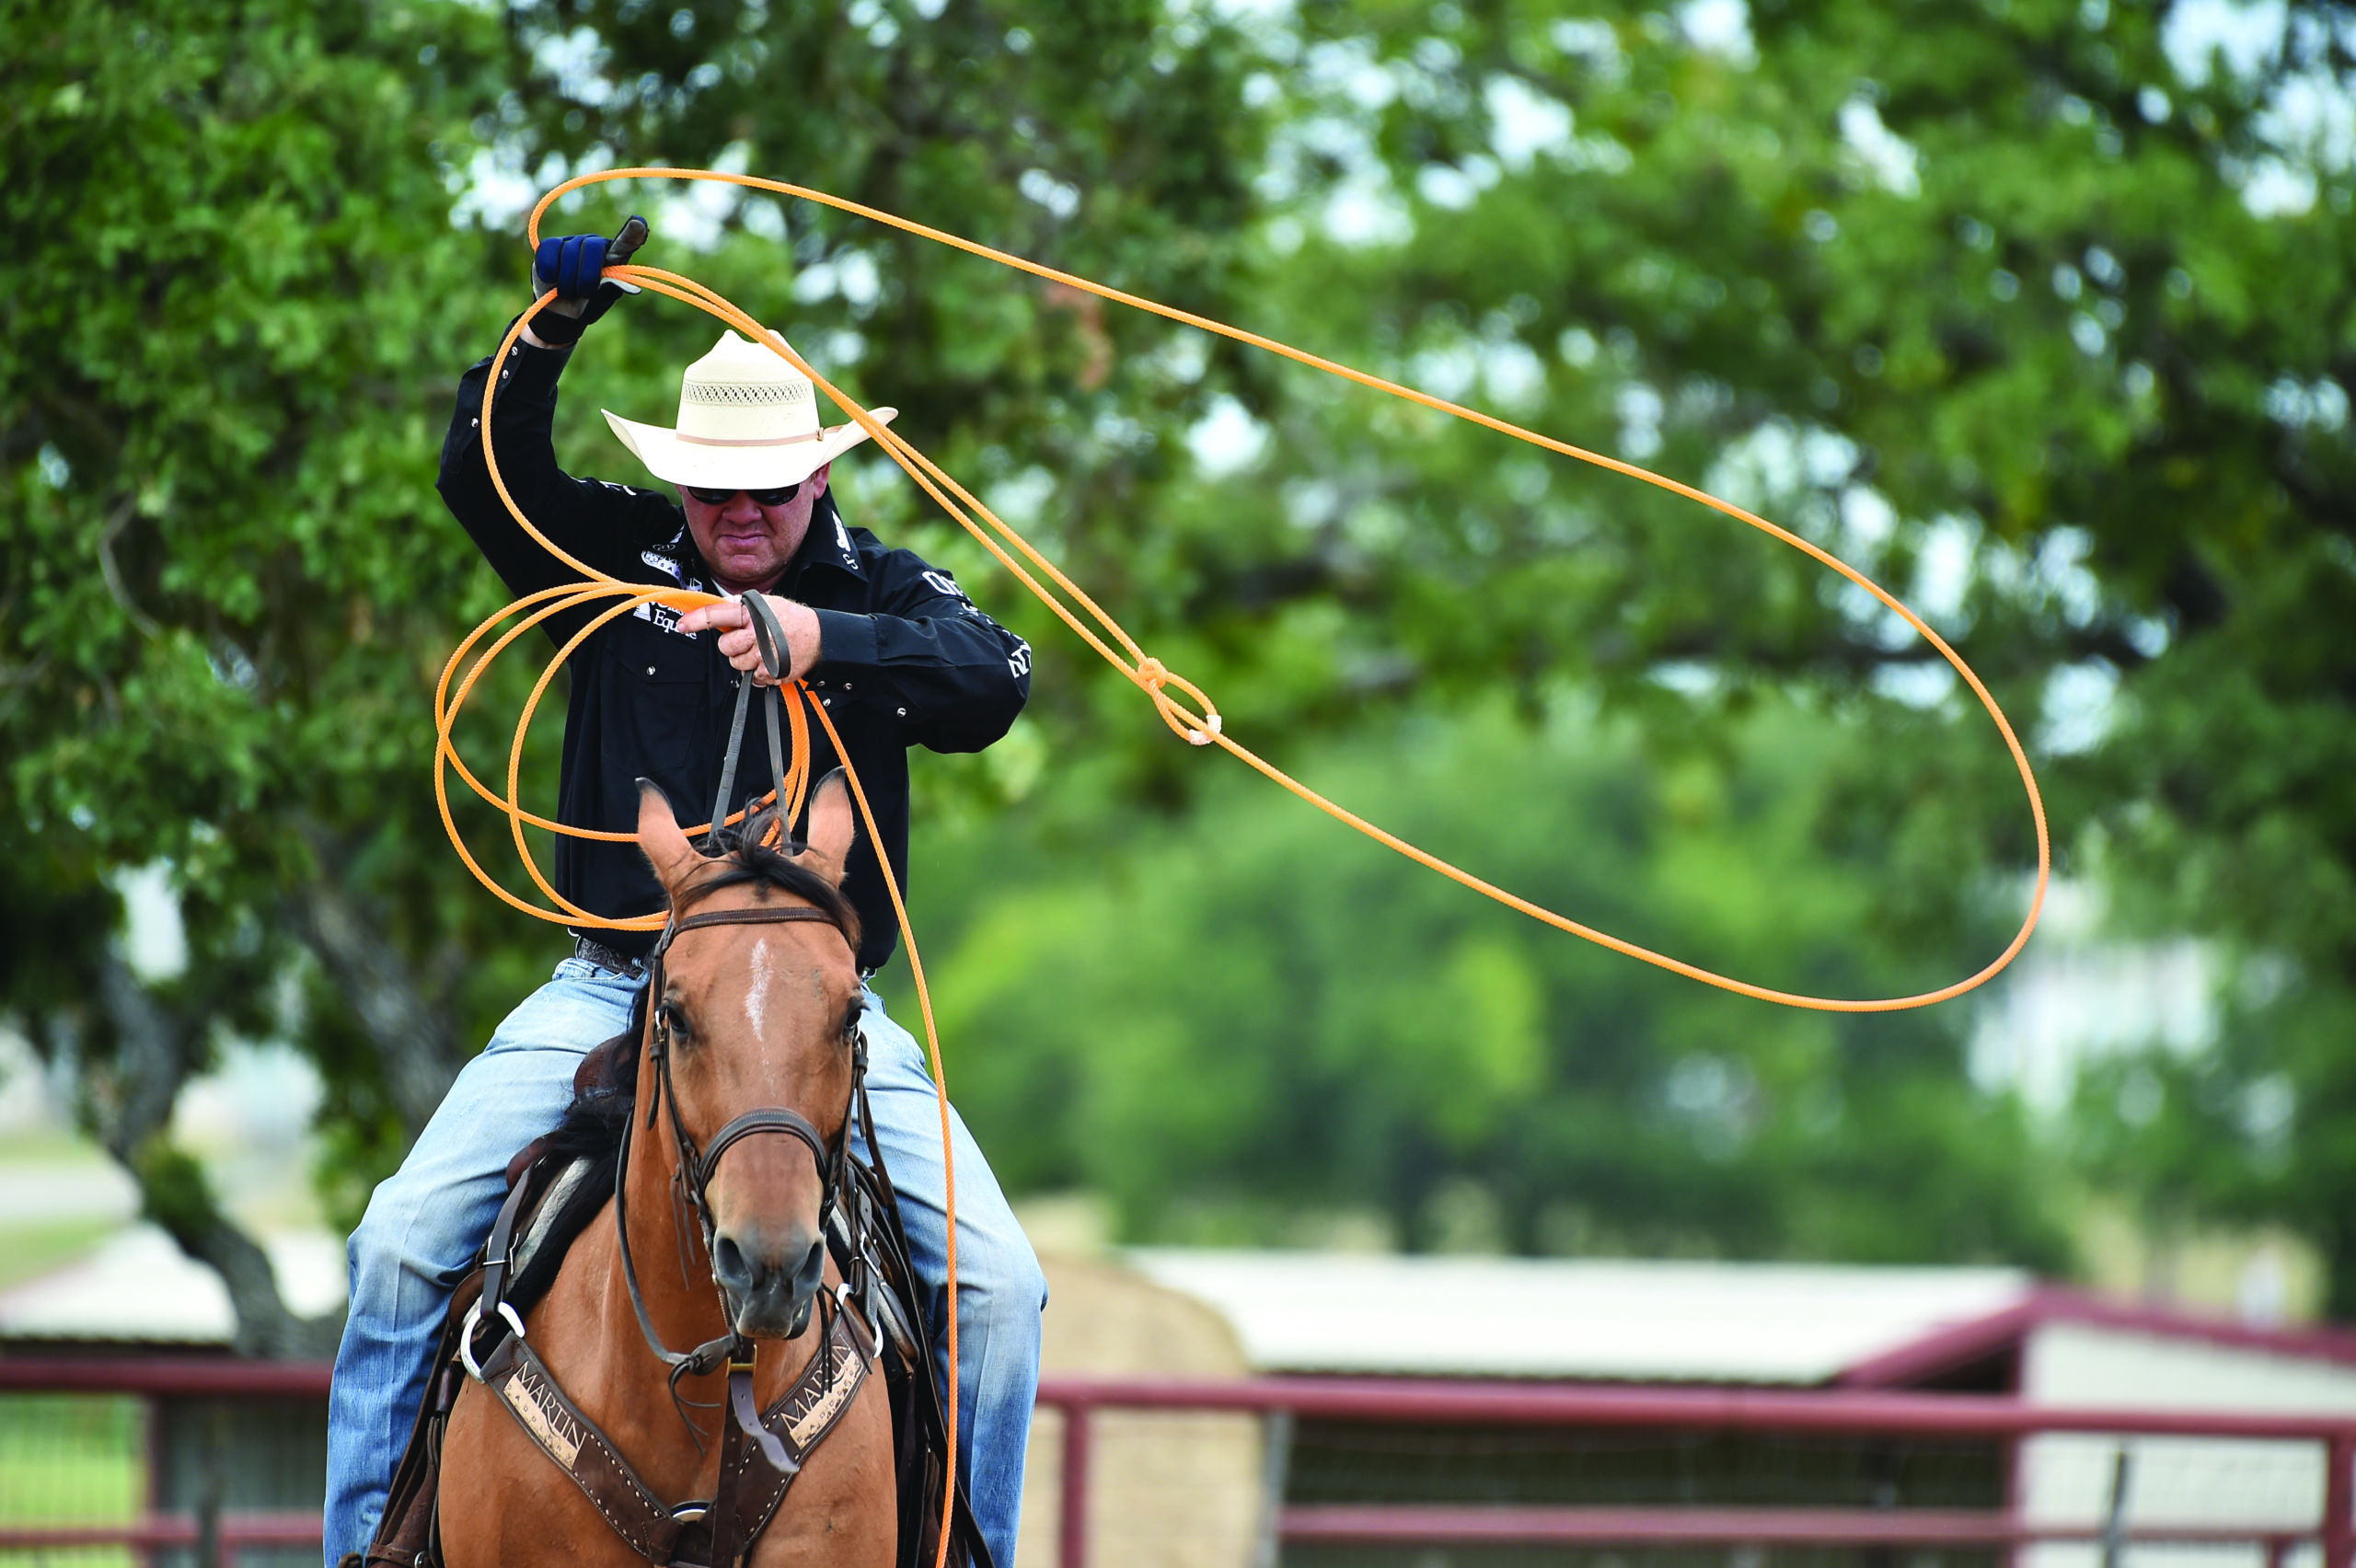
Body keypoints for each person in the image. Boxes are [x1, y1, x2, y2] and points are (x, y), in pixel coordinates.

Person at [323, 225, 1045, 1568]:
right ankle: (361, 1555)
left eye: (771, 487)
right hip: (614, 979)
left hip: (820, 1010)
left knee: (1003, 1290)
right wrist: (547, 329)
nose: (744, 516)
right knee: (401, 1241)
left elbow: (995, 677)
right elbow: (484, 478)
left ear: (819, 472)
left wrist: (819, 640)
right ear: (679, 485)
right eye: (715, 492)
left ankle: (971, 1551)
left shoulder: (877, 587)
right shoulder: (614, 558)